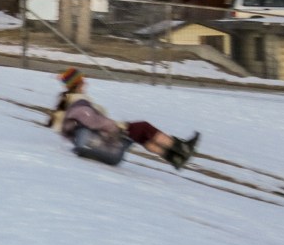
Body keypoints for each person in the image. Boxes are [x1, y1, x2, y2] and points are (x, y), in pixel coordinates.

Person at [48, 67, 199, 170]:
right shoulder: (78, 104)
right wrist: (117, 127)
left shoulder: (69, 102)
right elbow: (94, 121)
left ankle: (175, 158)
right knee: (144, 127)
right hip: (106, 137)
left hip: (101, 137)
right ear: (78, 84)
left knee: (141, 135)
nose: (86, 83)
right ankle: (181, 148)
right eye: (83, 81)